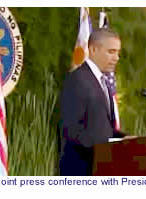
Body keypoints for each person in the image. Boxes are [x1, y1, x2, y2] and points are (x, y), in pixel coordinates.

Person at [59, 28, 128, 176]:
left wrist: (124, 139)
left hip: (102, 167)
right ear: (94, 49)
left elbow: (101, 127)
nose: (116, 58)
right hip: (81, 169)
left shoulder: (103, 82)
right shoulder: (77, 79)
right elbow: (71, 129)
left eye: (118, 53)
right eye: (111, 51)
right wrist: (106, 145)